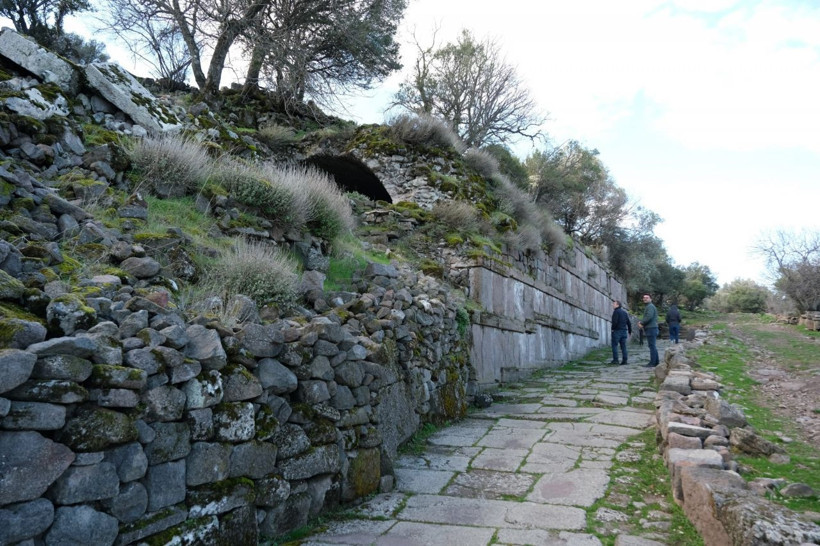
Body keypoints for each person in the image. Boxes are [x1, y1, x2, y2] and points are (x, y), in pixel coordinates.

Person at [638, 293, 659, 367]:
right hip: (652, 328)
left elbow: (649, 316)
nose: (645, 299)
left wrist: (642, 322)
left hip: (651, 328)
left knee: (652, 346)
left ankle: (652, 363)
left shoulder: (650, 306)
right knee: (652, 346)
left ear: (650, 299)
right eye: (644, 297)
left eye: (647, 297)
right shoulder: (649, 306)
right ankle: (656, 362)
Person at [610, 300, 632, 365]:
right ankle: (625, 360)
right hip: (624, 331)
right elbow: (628, 323)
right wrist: (629, 331)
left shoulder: (616, 312)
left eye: (614, 304)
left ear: (617, 305)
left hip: (617, 331)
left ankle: (615, 360)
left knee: (614, 345)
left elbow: (615, 322)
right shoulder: (624, 313)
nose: (613, 305)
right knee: (623, 346)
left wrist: (612, 329)